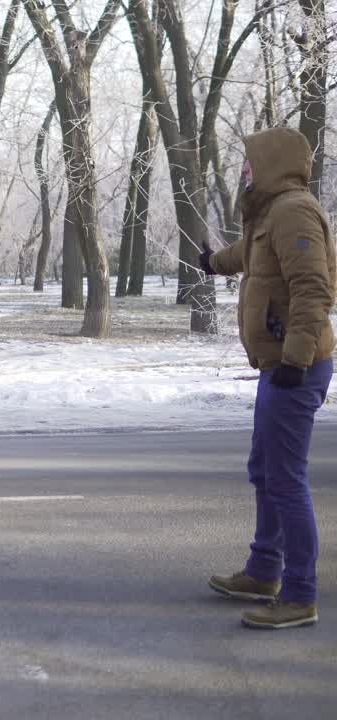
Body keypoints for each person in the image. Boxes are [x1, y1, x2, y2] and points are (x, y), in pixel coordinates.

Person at [200, 126, 335, 629]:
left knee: (285, 479)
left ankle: (300, 595)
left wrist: (296, 359)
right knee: (266, 471)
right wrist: (213, 262)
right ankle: (263, 572)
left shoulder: (294, 210)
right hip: (279, 364)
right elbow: (251, 253)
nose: (244, 169)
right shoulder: (272, 213)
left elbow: (314, 289)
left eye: (250, 161)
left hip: (295, 366)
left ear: (273, 163)